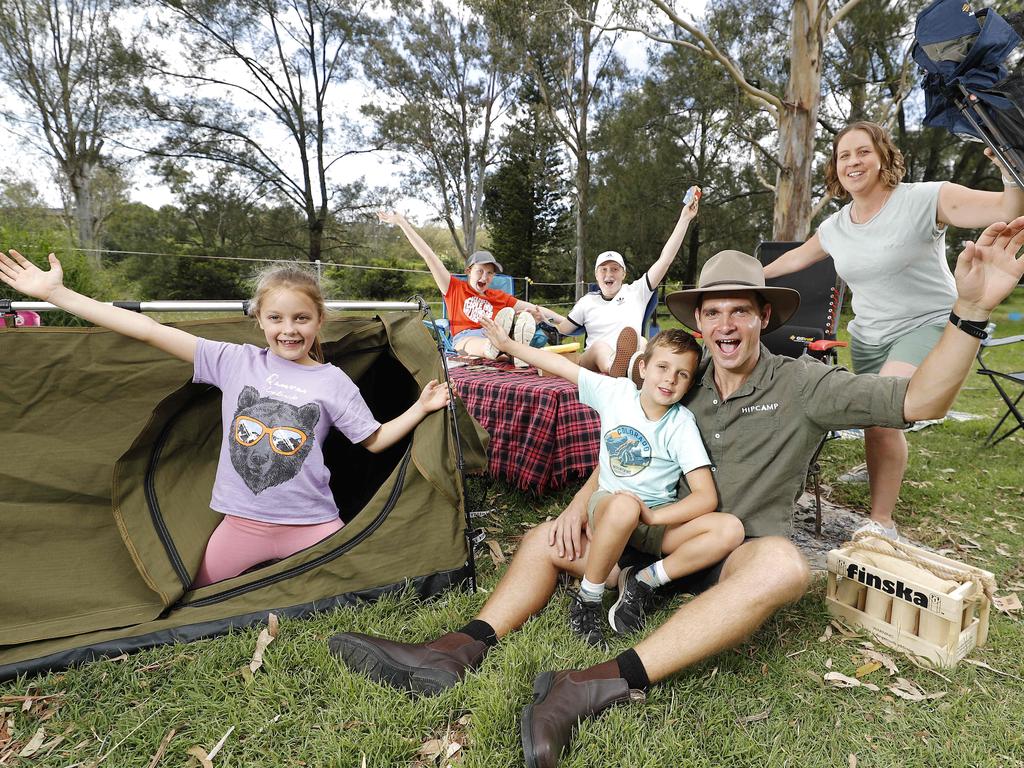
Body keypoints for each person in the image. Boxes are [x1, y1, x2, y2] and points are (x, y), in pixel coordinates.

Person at [327, 217, 1023, 768]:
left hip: (724, 554)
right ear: (699, 323)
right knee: (550, 537)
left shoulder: (805, 384)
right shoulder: (678, 380)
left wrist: (966, 310)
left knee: (781, 563)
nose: (725, 326)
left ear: (763, 318)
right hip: (645, 536)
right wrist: (580, 505)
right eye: (712, 312)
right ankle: (457, 649)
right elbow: (631, 448)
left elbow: (925, 398)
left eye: (740, 313)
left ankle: (587, 685)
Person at [0, 251, 450, 587]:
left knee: (356, 592)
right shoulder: (234, 362)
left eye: (301, 318)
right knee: (194, 597)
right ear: (259, 319)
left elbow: (372, 440)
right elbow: (147, 329)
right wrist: (57, 295)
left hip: (314, 524)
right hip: (239, 526)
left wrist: (420, 408)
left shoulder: (333, 383)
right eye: (275, 317)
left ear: (319, 321)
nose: (288, 328)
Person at [763, 121, 1024, 541]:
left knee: (884, 414)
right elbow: (792, 261)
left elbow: (1006, 209)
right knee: (875, 419)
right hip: (868, 335)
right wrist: (745, 277)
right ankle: (882, 467)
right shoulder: (835, 227)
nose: (853, 161)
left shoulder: (924, 199)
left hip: (929, 322)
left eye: (863, 151)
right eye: (844, 155)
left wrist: (1010, 171)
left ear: (884, 156)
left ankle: (882, 523)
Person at [479, 316, 740, 645]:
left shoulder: (681, 424)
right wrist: (508, 345)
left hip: (652, 519)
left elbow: (705, 497)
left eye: (682, 374)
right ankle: (588, 599)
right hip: (608, 508)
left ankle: (644, 580)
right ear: (643, 368)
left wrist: (656, 516)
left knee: (729, 529)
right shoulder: (616, 393)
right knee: (623, 507)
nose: (670, 380)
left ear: (688, 385)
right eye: (662, 367)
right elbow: (560, 365)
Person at [539, 188, 701, 378]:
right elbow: (559, 332)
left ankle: (632, 368)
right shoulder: (587, 302)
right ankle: (617, 368)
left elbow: (665, 260)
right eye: (604, 269)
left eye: (615, 269)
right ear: (596, 275)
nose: (609, 274)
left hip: (632, 354)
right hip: (593, 363)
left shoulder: (637, 291)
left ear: (623, 274)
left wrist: (684, 219)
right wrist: (540, 321)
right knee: (600, 347)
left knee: (640, 342)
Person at [378, 211, 544, 364]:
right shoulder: (454, 287)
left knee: (501, 339)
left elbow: (534, 309)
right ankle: (508, 350)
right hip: (467, 337)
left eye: (490, 273)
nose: (484, 277)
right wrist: (402, 222)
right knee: (475, 344)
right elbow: (429, 256)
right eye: (480, 271)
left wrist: (560, 322)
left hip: (495, 333)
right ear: (469, 271)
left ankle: (509, 348)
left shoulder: (499, 296)